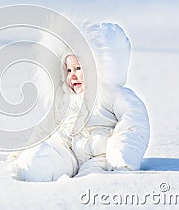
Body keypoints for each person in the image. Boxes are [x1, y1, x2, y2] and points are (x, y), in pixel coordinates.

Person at [12, 22, 150, 181]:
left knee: (91, 179)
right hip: (67, 150)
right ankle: (31, 168)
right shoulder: (65, 98)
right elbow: (46, 126)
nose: (72, 75)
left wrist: (122, 154)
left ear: (98, 68)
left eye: (78, 68)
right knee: (39, 159)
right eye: (68, 70)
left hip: (100, 155)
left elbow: (133, 123)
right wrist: (27, 149)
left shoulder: (112, 95)